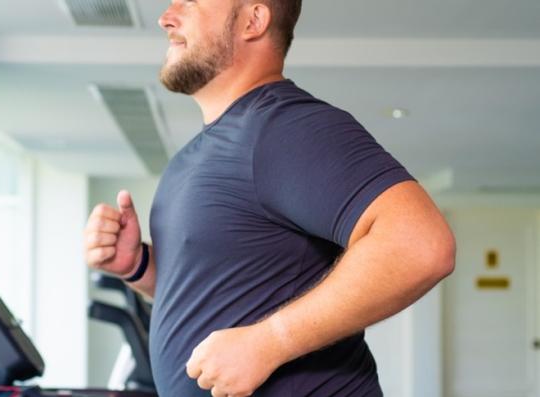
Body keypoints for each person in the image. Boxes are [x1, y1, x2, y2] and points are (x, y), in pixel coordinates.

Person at [83, 1, 456, 396]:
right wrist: (138, 266)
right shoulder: (197, 155)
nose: (166, 17)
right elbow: (219, 296)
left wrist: (270, 341)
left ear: (252, 20)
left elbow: (420, 244)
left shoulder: (284, 126)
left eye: (189, 2)